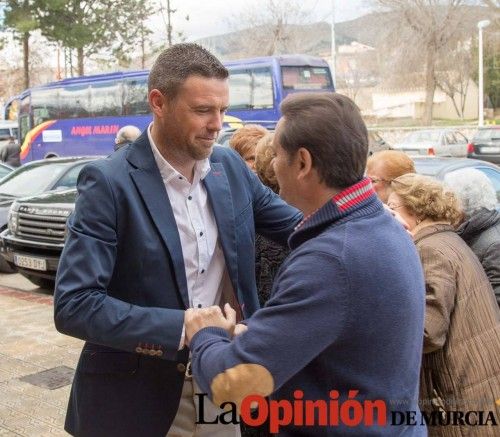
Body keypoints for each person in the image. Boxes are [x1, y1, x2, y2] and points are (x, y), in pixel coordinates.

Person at [54, 43, 301, 437]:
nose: (217, 123)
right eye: (203, 110)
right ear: (159, 102)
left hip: (221, 380)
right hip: (135, 397)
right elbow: (74, 305)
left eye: (222, 110)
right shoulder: (108, 182)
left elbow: (299, 228)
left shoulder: (230, 166)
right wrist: (183, 326)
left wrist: (364, 222)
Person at [185, 93, 427, 436]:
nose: (272, 167)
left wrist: (205, 334)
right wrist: (254, 335)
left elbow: (233, 384)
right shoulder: (381, 226)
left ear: (302, 163)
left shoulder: (330, 260)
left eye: (277, 156)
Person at [388, 173, 500, 436]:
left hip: (459, 391)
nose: (388, 216)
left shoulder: (429, 250)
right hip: (477, 383)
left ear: (417, 211)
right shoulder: (447, 240)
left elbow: (429, 331)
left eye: (392, 209)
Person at [444, 168, 500, 307]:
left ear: (462, 201)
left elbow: (496, 299)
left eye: (448, 198)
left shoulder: (493, 243)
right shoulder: (469, 229)